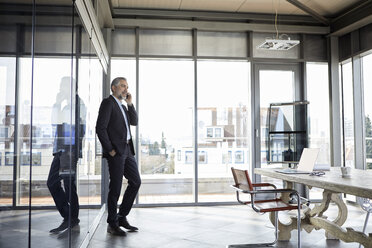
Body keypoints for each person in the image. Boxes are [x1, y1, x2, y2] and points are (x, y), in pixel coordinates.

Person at [96, 77, 141, 236]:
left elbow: (134, 121)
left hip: (128, 149)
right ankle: (112, 223)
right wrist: (110, 150)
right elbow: (100, 128)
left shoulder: (122, 106)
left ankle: (122, 216)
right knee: (115, 187)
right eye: (122, 86)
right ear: (113, 88)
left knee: (135, 181)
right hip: (116, 151)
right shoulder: (108, 103)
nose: (125, 89)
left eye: (127, 86)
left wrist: (129, 104)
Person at [47, 77, 86, 233]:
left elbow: (80, 129)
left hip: (69, 150)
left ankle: (71, 219)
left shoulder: (78, 104)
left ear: (69, 87)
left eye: (62, 86)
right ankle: (69, 217)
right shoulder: (65, 106)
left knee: (69, 186)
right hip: (61, 150)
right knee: (53, 183)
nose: (59, 89)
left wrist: (73, 150)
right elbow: (53, 123)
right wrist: (57, 103)